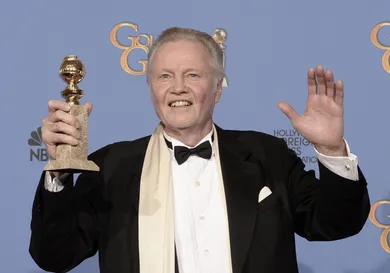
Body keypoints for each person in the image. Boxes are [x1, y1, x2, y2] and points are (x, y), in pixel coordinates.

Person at [29, 27, 370, 273]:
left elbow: (336, 224)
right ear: (151, 89)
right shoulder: (111, 166)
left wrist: (331, 150)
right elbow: (55, 257)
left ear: (218, 87)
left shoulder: (267, 154)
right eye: (164, 76)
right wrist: (58, 170)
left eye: (192, 74)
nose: (178, 87)